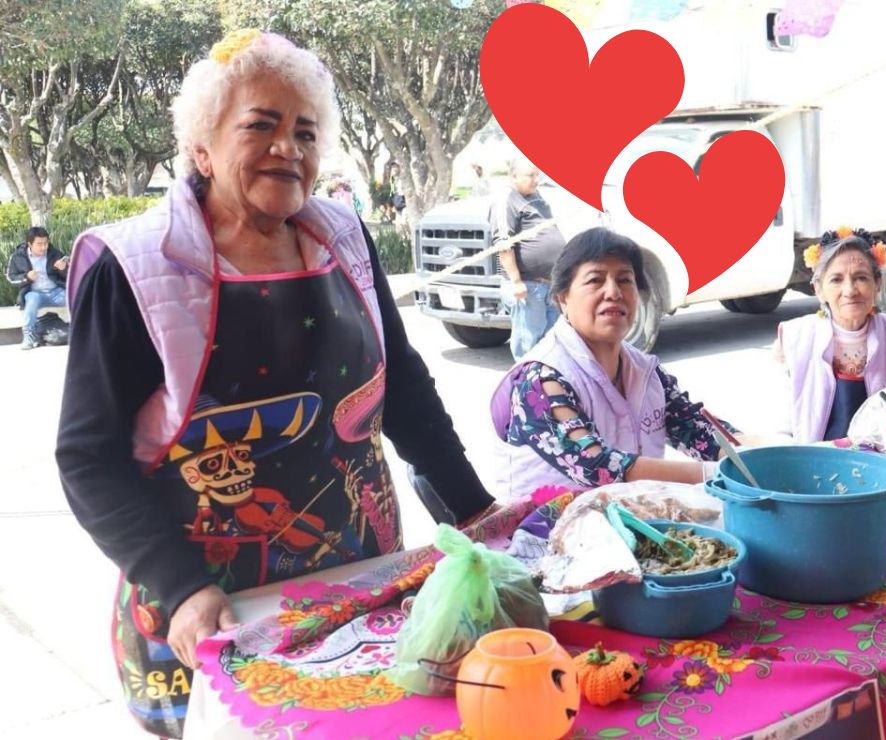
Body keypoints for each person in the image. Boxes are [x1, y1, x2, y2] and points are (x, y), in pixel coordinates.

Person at [55, 30, 495, 738]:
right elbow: (87, 457)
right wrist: (181, 587)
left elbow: (404, 392)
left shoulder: (345, 238)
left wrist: (475, 512)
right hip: (206, 601)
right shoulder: (130, 266)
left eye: (306, 131)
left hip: (360, 574)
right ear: (201, 147)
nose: (288, 147)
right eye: (261, 125)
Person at [490, 227, 733, 499]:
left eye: (625, 280)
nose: (613, 292)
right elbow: (596, 465)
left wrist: (759, 454)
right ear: (562, 298)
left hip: (632, 522)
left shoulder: (646, 372)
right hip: (547, 533)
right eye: (595, 280)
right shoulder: (540, 378)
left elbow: (701, 431)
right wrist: (714, 475)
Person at [775, 228, 886, 443]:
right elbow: (781, 432)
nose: (849, 290)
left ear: (877, 284)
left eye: (861, 278)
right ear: (819, 289)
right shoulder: (796, 341)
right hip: (813, 466)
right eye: (836, 280)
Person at [491, 156, 567, 359]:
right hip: (528, 286)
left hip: (550, 285)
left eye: (537, 175)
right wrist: (516, 282)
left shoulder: (536, 196)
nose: (536, 180)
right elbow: (503, 244)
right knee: (528, 344)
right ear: (514, 176)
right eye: (530, 175)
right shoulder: (507, 199)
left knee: (553, 341)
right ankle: (527, 387)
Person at [6, 226, 68, 349]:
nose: (44, 247)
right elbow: (10, 278)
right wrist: (27, 277)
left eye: (46, 243)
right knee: (32, 299)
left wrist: (64, 269)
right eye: (39, 244)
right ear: (30, 244)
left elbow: (70, 276)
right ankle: (29, 336)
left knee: (76, 296)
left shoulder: (54, 253)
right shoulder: (18, 256)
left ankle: (84, 329)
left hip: (56, 292)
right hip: (35, 293)